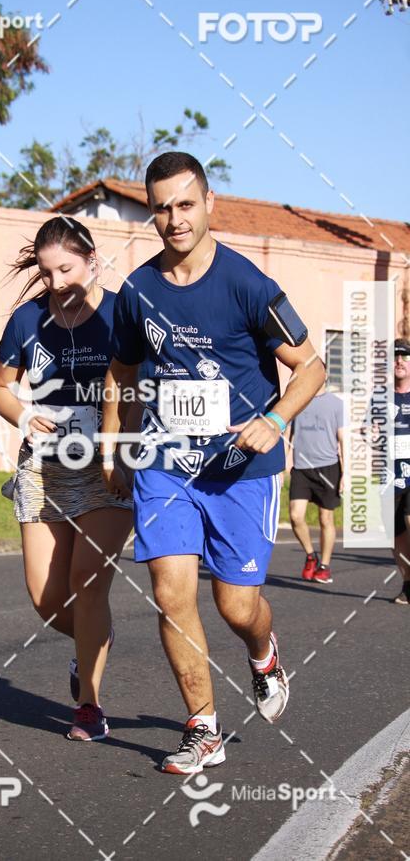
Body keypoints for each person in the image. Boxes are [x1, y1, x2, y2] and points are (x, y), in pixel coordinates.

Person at [101, 152, 325, 775]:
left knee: (236, 607)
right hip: (167, 466)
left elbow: (311, 367)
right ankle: (203, 728)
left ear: (208, 202)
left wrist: (274, 420)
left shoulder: (248, 285)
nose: (174, 219)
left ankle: (263, 653)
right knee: (171, 594)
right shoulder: (138, 292)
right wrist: (114, 441)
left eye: (185, 204)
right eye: (162, 208)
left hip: (239, 471)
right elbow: (121, 371)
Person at [0, 216, 134, 741]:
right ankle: (92, 641)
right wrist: (24, 414)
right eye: (47, 272)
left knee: (86, 580)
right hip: (44, 466)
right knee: (47, 600)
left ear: (92, 260)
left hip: (109, 466)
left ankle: (90, 707)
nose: (56, 283)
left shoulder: (125, 311)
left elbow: (157, 376)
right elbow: (1, 386)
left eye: (66, 269)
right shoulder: (27, 320)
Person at [287, 383, 344, 584]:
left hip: (328, 467)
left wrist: (346, 473)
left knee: (325, 519)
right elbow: (288, 436)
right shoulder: (298, 401)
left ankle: (324, 566)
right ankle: (311, 555)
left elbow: (343, 439)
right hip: (302, 468)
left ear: (324, 375)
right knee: (295, 515)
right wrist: (281, 466)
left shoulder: (336, 404)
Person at [390, 338, 410, 604]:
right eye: (395, 357)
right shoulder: (381, 397)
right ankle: (407, 584)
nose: (399, 361)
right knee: (397, 537)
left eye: (405, 357)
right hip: (389, 476)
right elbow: (368, 431)